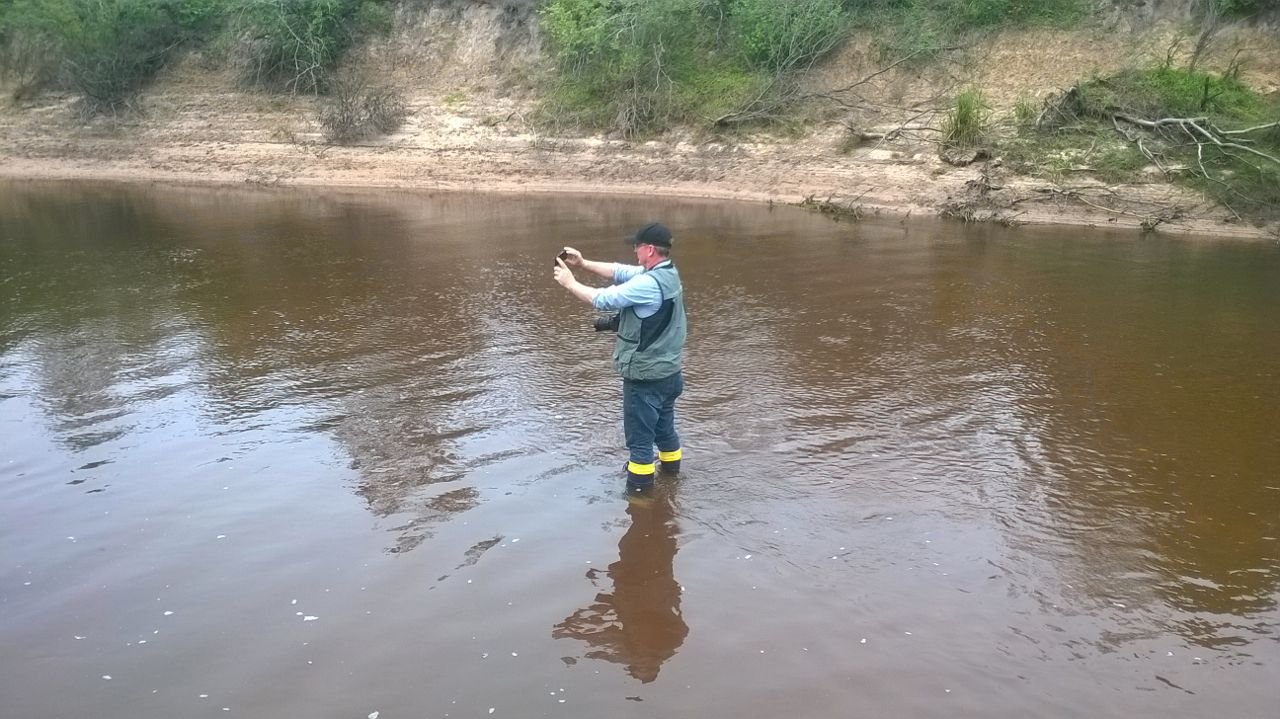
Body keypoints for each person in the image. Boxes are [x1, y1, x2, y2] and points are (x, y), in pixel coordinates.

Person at [553, 222, 687, 491]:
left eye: (637, 247)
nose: (634, 252)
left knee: (639, 445)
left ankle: (639, 503)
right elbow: (620, 271)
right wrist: (583, 263)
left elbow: (603, 299)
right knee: (665, 432)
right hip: (669, 375)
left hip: (645, 379)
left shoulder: (648, 285)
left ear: (649, 250)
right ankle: (672, 482)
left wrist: (570, 283)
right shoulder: (667, 273)